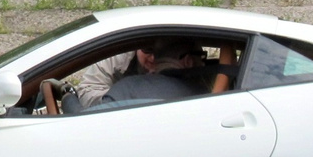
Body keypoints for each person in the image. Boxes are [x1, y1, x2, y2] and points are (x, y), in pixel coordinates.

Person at [70, 36, 236, 110]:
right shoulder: (116, 62)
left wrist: (67, 97)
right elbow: (88, 89)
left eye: (158, 53)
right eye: (148, 50)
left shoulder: (128, 89)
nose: (152, 58)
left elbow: (85, 117)